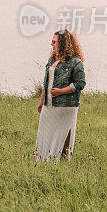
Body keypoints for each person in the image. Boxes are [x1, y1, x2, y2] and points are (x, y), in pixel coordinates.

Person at [35, 29, 86, 161]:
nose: (51, 44)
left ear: (63, 44)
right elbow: (46, 82)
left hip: (66, 105)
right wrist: (42, 101)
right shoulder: (51, 60)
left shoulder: (76, 62)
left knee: (62, 134)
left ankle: (60, 160)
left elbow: (80, 83)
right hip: (49, 104)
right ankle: (44, 159)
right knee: (46, 132)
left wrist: (60, 91)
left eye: (54, 42)